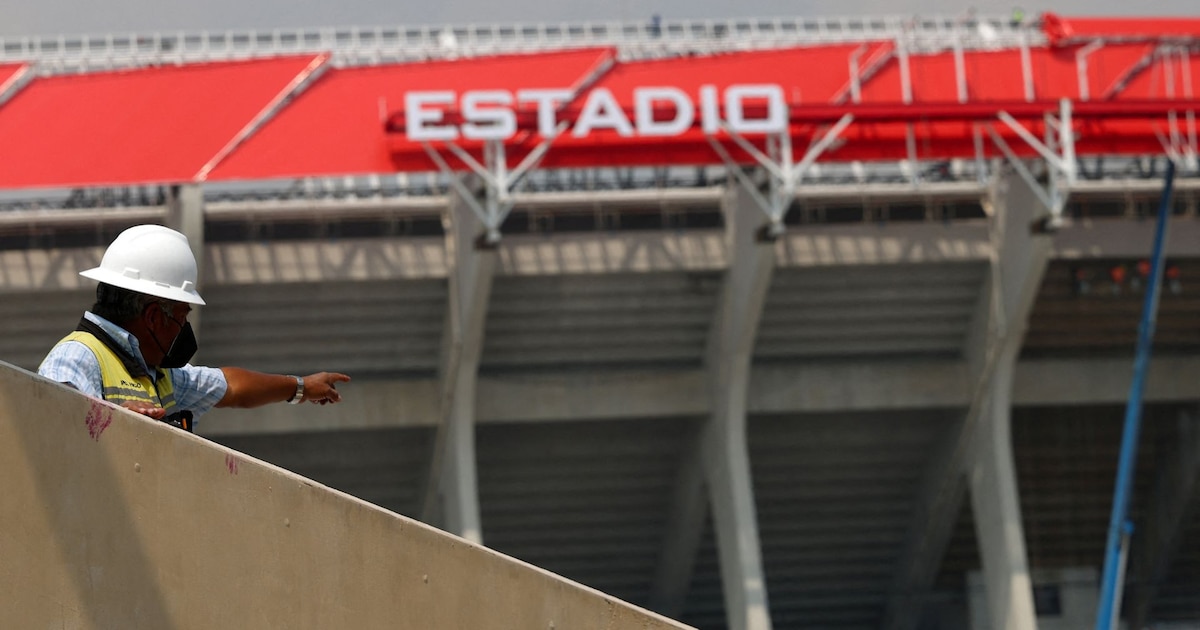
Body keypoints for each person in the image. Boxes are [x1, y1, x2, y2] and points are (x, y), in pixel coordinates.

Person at [38, 224, 350, 432]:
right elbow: (52, 418)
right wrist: (114, 418)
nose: (184, 329)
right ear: (154, 317)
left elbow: (232, 387)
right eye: (181, 316)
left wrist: (301, 387)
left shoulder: (159, 376)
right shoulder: (76, 357)